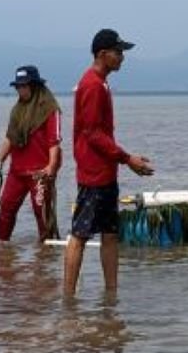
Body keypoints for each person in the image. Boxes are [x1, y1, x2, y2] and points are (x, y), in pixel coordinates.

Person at [64, 29, 155, 297]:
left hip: (105, 172)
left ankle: (111, 296)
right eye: (118, 52)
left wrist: (121, 161)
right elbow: (92, 133)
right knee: (80, 235)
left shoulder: (101, 83)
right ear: (102, 54)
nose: (122, 57)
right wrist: (127, 159)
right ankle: (68, 299)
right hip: (93, 174)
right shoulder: (92, 85)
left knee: (110, 234)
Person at [0, 65, 62, 242]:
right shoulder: (17, 110)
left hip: (40, 172)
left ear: (35, 85)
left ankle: (46, 252)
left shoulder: (50, 109)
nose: (20, 90)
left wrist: (51, 167)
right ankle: (3, 249)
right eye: (18, 86)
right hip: (17, 171)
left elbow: (54, 142)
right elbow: (10, 138)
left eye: (24, 86)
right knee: (6, 209)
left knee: (42, 213)